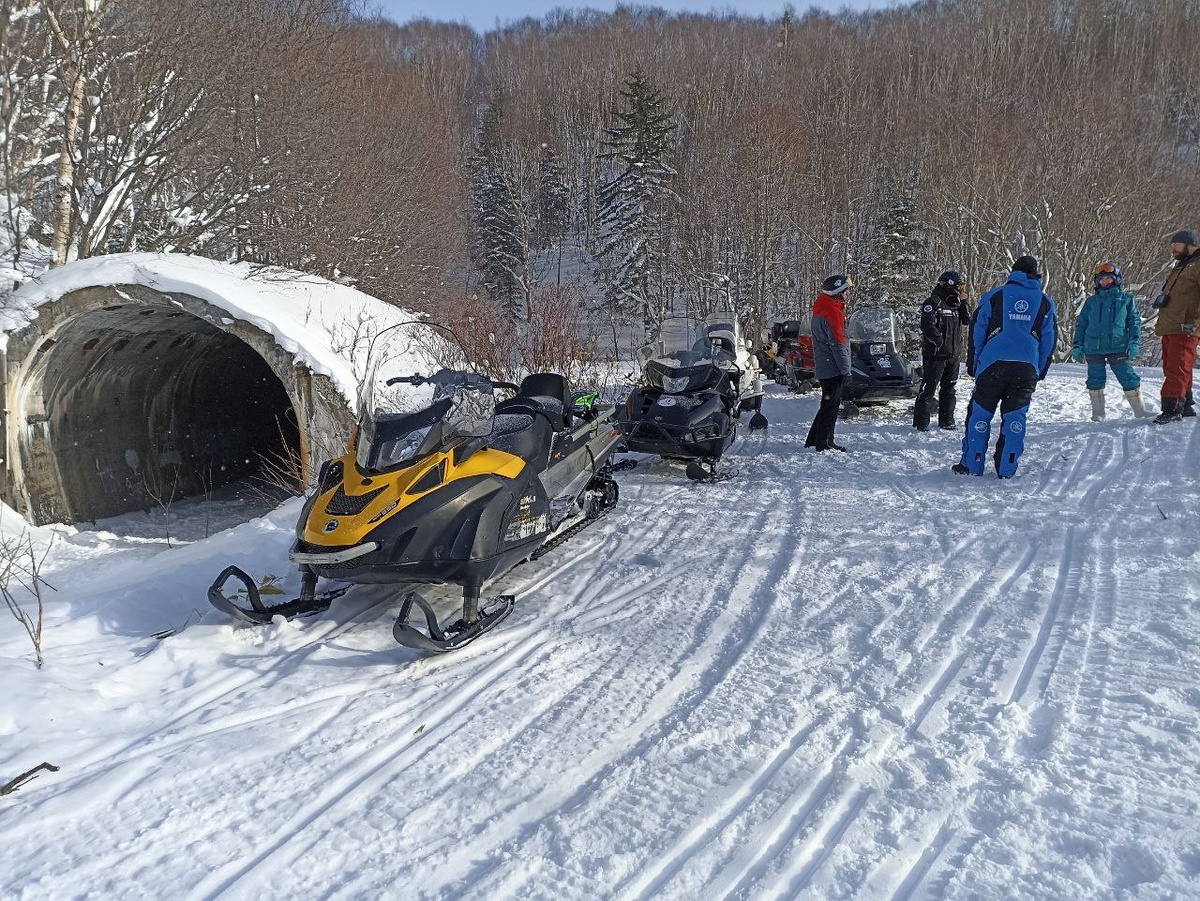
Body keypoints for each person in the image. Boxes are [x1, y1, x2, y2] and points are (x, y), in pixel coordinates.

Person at [953, 255, 1057, 478]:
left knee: (980, 415)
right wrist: (1039, 369)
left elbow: (978, 330)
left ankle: (972, 464)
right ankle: (1006, 467)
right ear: (1035, 275)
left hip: (993, 365)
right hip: (1026, 368)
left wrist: (974, 363)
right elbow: (1049, 340)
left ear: (1014, 272)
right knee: (1015, 418)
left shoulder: (995, 295)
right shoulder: (1045, 302)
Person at [1070, 262, 1149, 420]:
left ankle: (1140, 411)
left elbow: (1134, 323)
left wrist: (1134, 342)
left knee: (1128, 376)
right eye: (1101, 279)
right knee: (1095, 379)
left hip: (1118, 346)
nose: (1105, 281)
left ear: (1116, 279)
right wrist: (1077, 345)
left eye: (1109, 278)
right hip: (1094, 346)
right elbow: (1082, 324)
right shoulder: (1091, 302)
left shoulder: (1127, 300)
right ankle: (1098, 414)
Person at [1152, 229, 1200, 424]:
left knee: (1177, 368)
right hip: (1171, 325)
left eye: (1176, 245)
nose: (1173, 249)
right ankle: (1185, 404)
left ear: (1190, 244)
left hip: (1186, 325)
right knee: (1173, 366)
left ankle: (1172, 409)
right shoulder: (1182, 265)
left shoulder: (1198, 265)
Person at [913, 270, 970, 431]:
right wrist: (939, 342)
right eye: (958, 287)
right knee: (929, 389)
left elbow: (967, 320)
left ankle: (947, 420)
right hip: (936, 355)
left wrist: (964, 302)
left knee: (949, 389)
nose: (961, 290)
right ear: (949, 285)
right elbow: (927, 325)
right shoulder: (934, 302)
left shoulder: (956, 304)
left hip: (953, 354)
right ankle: (921, 422)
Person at [805, 273, 852, 452]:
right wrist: (846, 370)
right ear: (837, 292)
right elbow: (838, 343)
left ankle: (814, 439)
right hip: (833, 367)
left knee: (827, 404)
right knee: (830, 407)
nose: (847, 294)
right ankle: (824, 443)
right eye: (845, 291)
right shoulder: (833, 312)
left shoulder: (823, 307)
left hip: (826, 364)